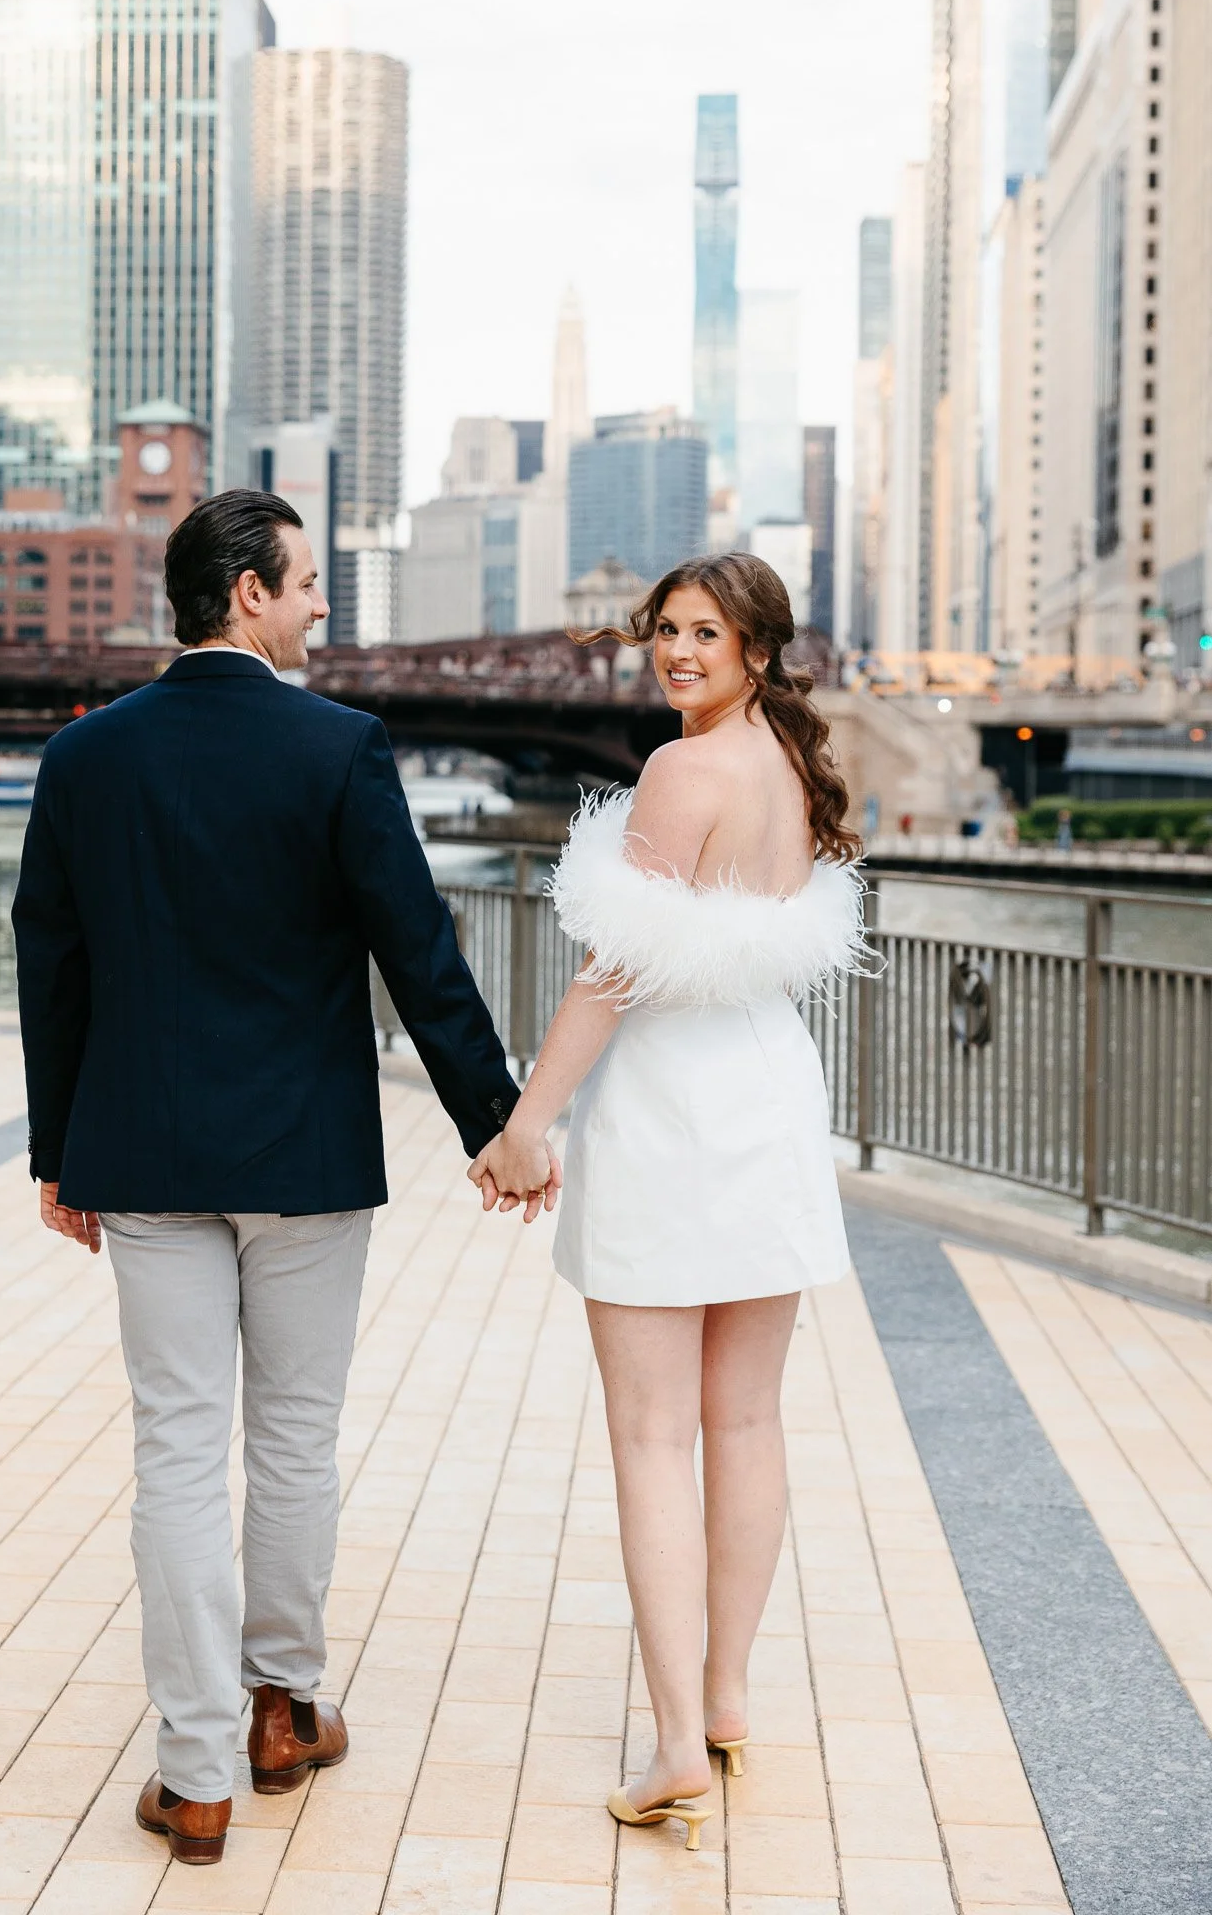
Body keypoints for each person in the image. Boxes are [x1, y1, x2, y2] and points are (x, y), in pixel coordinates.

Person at [12, 488, 556, 1866]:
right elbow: (416, 950)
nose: (323, 604)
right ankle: (281, 1708)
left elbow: (51, 965)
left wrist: (59, 1151)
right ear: (247, 590)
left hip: (141, 1154)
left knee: (178, 1455)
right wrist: (493, 1121)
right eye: (308, 582)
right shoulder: (338, 749)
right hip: (306, 1158)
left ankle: (192, 1778)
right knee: (296, 1439)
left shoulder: (88, 760)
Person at [471, 552, 865, 1852]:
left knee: (655, 1438)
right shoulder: (790, 769)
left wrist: (528, 1123)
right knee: (746, 1419)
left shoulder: (681, 772)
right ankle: (730, 1702)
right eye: (667, 632)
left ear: (759, 648)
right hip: (770, 1093)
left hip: (670, 1115)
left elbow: (613, 973)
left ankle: (677, 1744)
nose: (678, 653)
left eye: (706, 633)